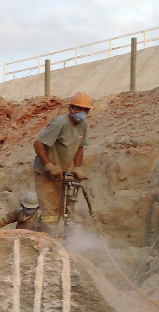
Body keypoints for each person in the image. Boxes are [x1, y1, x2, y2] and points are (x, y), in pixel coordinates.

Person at [32, 92, 92, 229]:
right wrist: (48, 165)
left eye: (85, 110)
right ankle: (47, 246)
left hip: (61, 174)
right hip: (45, 173)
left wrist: (77, 167)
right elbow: (38, 144)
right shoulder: (60, 123)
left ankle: (30, 237)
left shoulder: (83, 125)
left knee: (57, 212)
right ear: (70, 108)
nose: (82, 112)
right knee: (50, 213)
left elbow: (80, 147)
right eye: (78, 108)